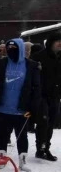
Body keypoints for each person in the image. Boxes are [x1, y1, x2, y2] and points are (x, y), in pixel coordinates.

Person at [0, 38, 41, 172]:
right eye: (9, 49)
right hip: (2, 107)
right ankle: (1, 157)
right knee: (2, 134)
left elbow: (36, 87)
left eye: (14, 49)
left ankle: (22, 160)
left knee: (22, 135)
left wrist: (33, 107)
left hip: (22, 108)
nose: (11, 52)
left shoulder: (31, 65)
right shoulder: (2, 63)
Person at [30, 33, 61, 162]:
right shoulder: (39, 57)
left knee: (51, 123)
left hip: (55, 95)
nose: (60, 44)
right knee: (44, 121)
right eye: (57, 41)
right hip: (41, 95)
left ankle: (46, 147)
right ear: (51, 42)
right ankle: (40, 149)